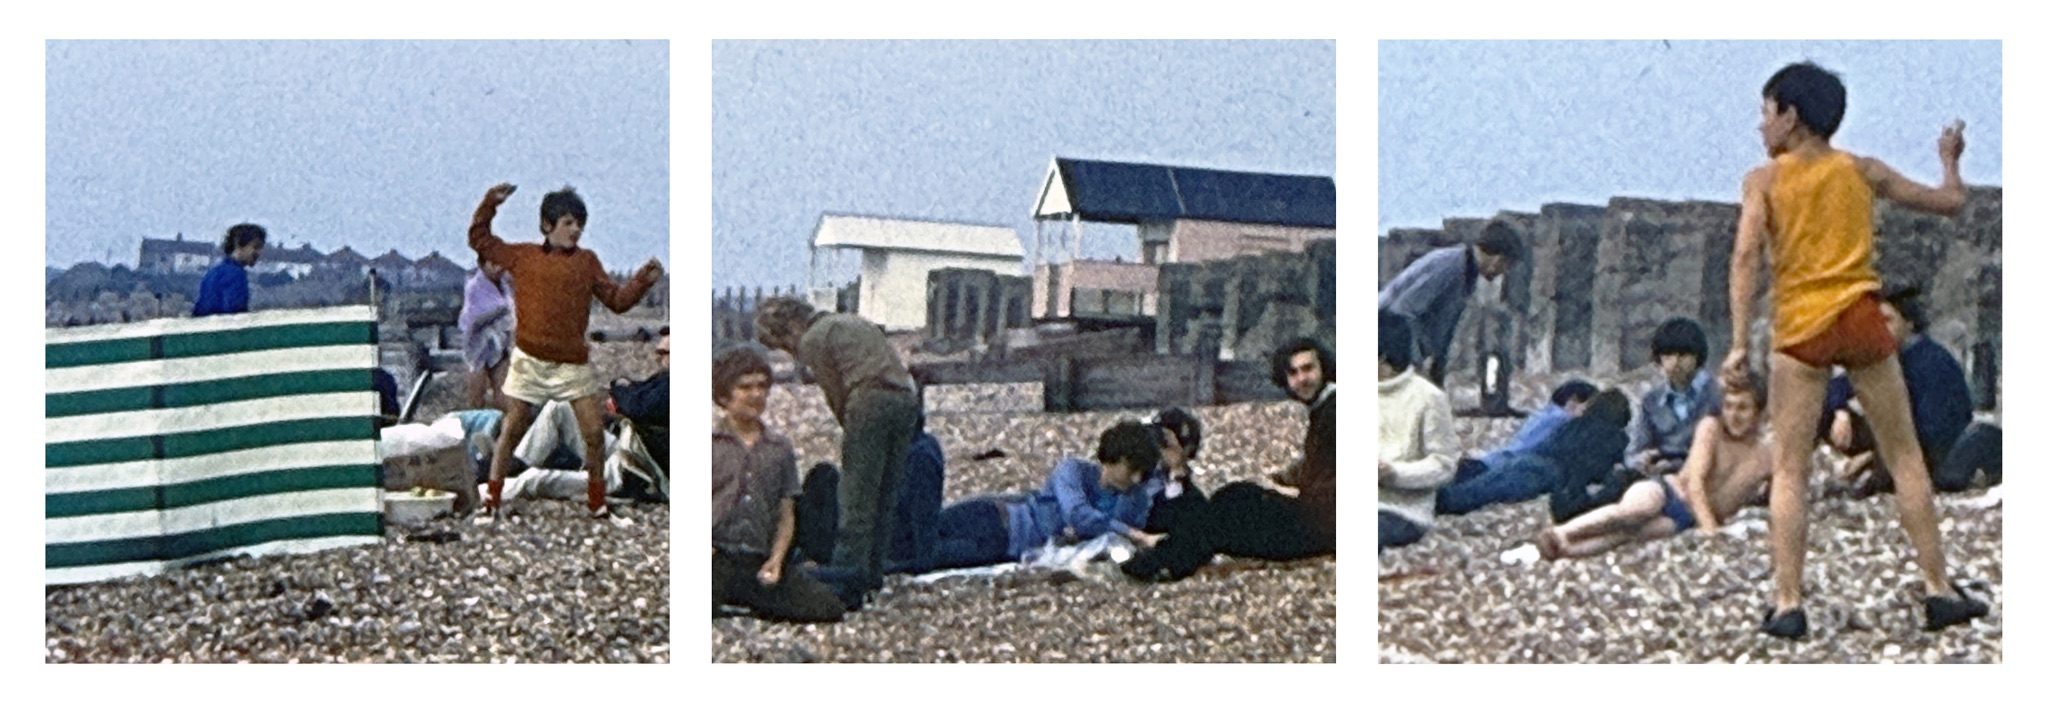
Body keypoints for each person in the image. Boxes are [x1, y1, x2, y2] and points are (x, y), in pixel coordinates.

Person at [1722, 62, 1986, 638]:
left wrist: (1740, 341)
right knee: (1905, 455)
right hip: (1861, 315)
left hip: (1800, 326)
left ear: (1790, 117)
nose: (1761, 127)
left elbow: (1746, 259)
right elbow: (1950, 203)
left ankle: (1789, 602)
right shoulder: (1860, 170)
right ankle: (1939, 589)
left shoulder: (1764, 181)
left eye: (1766, 113)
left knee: (1791, 466)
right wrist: (1950, 157)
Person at [469, 182, 663, 524]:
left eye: (580, 225)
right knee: (514, 426)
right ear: (547, 225)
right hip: (529, 358)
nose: (576, 230)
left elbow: (617, 302)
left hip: (571, 363)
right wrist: (490, 204)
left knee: (591, 432)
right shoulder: (523, 256)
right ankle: (492, 499)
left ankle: (597, 502)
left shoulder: (587, 262)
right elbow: (480, 239)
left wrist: (641, 282)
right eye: (569, 223)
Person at [1120, 337, 1337, 580]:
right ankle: (1164, 556)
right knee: (1231, 503)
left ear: (1324, 368)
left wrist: (1294, 492)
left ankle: (1161, 562)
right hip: (1316, 519)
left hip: (1322, 526)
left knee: (1232, 506)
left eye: (1308, 369)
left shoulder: (1336, 409)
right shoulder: (1325, 408)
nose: (1301, 379)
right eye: (1293, 373)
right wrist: (1281, 478)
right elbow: (1319, 462)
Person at [754, 296, 922, 608]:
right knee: (885, 493)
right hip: (905, 400)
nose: (792, 352)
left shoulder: (815, 338)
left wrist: (851, 427)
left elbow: (836, 392)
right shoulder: (851, 321)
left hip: (868, 401)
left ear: (790, 328)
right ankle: (873, 574)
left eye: (785, 345)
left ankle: (846, 580)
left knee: (856, 497)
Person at [1539, 379, 1774, 560]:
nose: (1734, 415)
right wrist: (1710, 531)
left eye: (1743, 408)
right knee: (1631, 512)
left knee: (1626, 535)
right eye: (1729, 407)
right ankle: (1561, 533)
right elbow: (1695, 483)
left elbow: (1770, 492)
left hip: (1687, 519)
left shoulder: (1766, 457)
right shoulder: (1712, 429)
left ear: (1759, 413)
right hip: (1669, 491)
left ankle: (1564, 551)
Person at [901, 422, 1163, 574]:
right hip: (997, 516)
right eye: (1132, 469)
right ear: (1113, 459)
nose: (1137, 479)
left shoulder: (1134, 500)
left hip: (1007, 546)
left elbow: (1104, 538)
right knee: (913, 531)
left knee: (924, 558)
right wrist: (1132, 533)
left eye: (1143, 473)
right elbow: (1077, 515)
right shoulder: (1073, 471)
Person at [1817, 285, 2001, 496]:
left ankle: (1873, 481)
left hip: (1932, 453)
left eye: (1887, 321)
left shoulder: (1932, 361)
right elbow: (1835, 388)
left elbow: (1932, 433)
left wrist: (1872, 456)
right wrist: (1840, 411)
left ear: (1909, 323)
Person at [712, 345, 843, 622]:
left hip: (758, 557)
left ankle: (745, 600)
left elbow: (786, 511)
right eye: (745, 387)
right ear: (724, 395)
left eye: (762, 386)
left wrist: (776, 559)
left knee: (827, 607)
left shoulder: (779, 448)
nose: (756, 395)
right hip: (716, 553)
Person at [1378, 220, 1524, 386]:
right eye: (1506, 265)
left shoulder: (1467, 274)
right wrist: (1414, 365)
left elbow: (1445, 330)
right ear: (1498, 259)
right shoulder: (1450, 265)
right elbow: (1403, 311)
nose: (1503, 273)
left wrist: (1437, 372)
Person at [1435, 379, 1598, 515]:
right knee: (1471, 494)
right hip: (1511, 464)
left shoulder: (1542, 414)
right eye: (1588, 406)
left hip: (1491, 459)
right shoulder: (1563, 421)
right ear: (1573, 401)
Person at [1375, 312, 1455, 550]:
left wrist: (1394, 473)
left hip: (1401, 510)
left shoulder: (1428, 398)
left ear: (1381, 356)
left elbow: (1444, 465)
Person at [1627, 317, 1722, 477]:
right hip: (1661, 476)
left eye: (1683, 355)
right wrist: (1641, 461)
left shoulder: (1717, 394)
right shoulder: (1651, 401)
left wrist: (1676, 465)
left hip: (1708, 474)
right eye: (1668, 355)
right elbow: (1635, 450)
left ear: (1697, 356)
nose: (1676, 362)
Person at [460, 256, 516, 408]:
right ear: (483, 265)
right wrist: (501, 309)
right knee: (477, 394)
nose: (499, 268)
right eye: (494, 264)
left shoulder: (505, 284)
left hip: (501, 342)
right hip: (478, 344)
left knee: (504, 393)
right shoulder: (475, 286)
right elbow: (475, 318)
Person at [192, 223, 266, 317]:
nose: (259, 253)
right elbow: (234, 315)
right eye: (255, 247)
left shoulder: (214, 272)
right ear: (238, 244)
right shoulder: (236, 274)